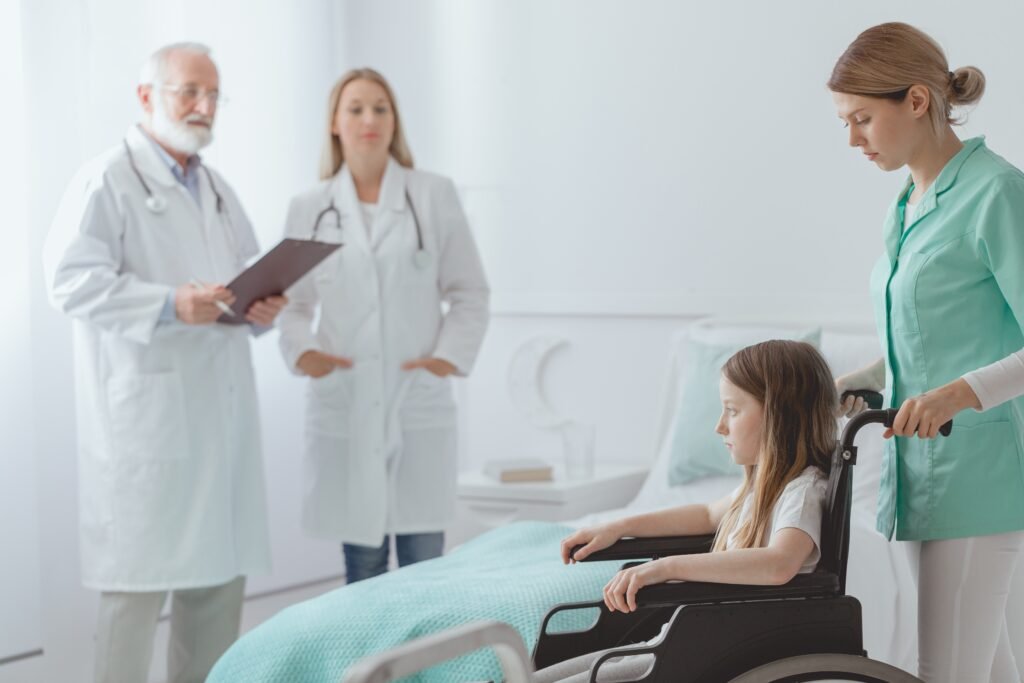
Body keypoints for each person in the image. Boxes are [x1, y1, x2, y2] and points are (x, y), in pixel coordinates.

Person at [43, 42, 286, 683]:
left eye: (213, 94)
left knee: (215, 599)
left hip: (219, 425)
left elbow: (244, 281)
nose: (204, 106)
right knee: (134, 600)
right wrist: (169, 305)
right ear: (147, 96)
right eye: (189, 92)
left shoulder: (219, 189)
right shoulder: (105, 179)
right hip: (146, 431)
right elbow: (67, 281)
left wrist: (261, 308)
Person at [829, 22, 1024, 682]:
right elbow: (917, 334)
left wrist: (958, 393)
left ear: (916, 101)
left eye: (862, 118)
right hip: (924, 474)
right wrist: (854, 380)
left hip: (980, 474)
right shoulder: (907, 204)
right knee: (990, 671)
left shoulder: (997, 192)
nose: (851, 138)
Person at [277, 68, 490, 583]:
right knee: (364, 567)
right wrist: (304, 352)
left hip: (415, 398)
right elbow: (290, 302)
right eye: (355, 108)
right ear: (334, 122)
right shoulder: (310, 206)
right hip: (346, 398)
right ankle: (369, 666)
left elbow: (469, 291)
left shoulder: (433, 195)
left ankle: (427, 666)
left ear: (395, 121)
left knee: (423, 563)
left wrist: (445, 358)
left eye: (381, 107)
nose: (369, 118)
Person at [534, 340, 836, 682]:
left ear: (780, 415)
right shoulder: (760, 489)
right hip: (694, 639)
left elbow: (779, 564)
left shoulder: (803, 490)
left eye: (733, 411)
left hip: (721, 648)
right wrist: (618, 527)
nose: (720, 426)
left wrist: (666, 568)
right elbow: (707, 514)